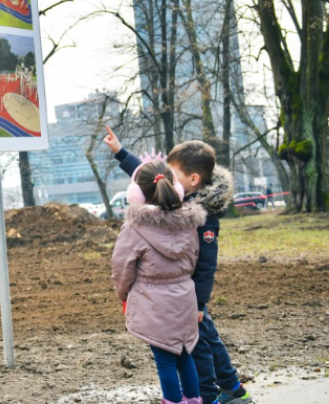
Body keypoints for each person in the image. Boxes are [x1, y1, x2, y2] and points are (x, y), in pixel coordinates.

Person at [104, 127, 253, 404]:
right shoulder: (177, 194)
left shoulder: (203, 215)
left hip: (190, 294)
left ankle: (212, 395)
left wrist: (199, 303)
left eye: (173, 173)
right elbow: (152, 178)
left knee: (200, 347)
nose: (167, 177)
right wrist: (121, 153)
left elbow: (206, 265)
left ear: (193, 179)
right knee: (204, 340)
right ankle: (232, 388)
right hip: (180, 291)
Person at [112, 160, 205, 404]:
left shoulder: (134, 228)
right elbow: (193, 261)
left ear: (137, 194)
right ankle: (193, 400)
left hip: (152, 304)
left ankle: (173, 401)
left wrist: (123, 295)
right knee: (185, 355)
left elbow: (122, 269)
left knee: (165, 360)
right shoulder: (189, 223)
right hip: (184, 299)